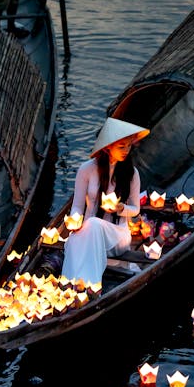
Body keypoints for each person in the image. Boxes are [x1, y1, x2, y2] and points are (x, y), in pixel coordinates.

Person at [61, 117, 150, 289]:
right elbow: (78, 206)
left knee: (94, 224)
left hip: (118, 236)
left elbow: (135, 209)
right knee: (77, 238)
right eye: (121, 146)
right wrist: (75, 220)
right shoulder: (86, 170)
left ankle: (90, 287)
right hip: (89, 230)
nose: (126, 151)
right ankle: (72, 288)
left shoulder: (132, 173)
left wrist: (121, 208)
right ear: (108, 147)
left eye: (129, 146)